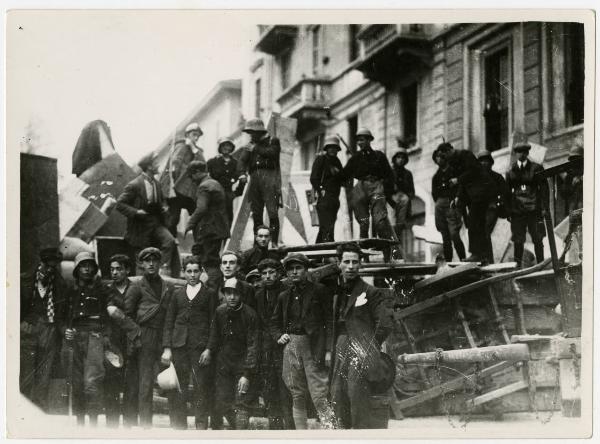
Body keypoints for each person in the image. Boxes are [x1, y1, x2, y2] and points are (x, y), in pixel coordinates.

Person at [329, 243, 395, 429]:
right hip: (340, 348)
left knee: (357, 397)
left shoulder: (370, 292)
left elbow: (385, 324)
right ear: (339, 264)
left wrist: (367, 347)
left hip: (361, 351)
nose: (351, 266)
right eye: (346, 261)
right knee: (337, 396)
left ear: (361, 265)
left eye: (355, 262)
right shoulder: (337, 292)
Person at [270, 253, 336, 429]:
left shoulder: (320, 290)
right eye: (290, 269)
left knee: (319, 393)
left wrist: (329, 350)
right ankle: (301, 435)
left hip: (314, 346)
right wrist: (279, 335)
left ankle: (332, 433)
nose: (294, 272)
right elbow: (274, 322)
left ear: (306, 269)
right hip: (291, 345)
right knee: (296, 393)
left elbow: (330, 321)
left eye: (298, 268)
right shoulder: (284, 296)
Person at [161, 256, 218, 430]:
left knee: (201, 387)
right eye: (189, 271)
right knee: (178, 387)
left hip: (199, 348)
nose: (192, 275)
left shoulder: (209, 294)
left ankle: (201, 426)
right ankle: (178, 427)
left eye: (195, 271)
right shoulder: (177, 293)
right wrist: (167, 348)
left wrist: (209, 349)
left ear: (201, 272)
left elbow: (214, 324)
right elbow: (169, 322)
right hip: (179, 346)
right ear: (184, 272)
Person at [124, 247, 174, 428]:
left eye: (155, 260)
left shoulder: (167, 286)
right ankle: (145, 426)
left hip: (163, 336)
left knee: (170, 380)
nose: (151, 264)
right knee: (144, 383)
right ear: (141, 264)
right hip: (144, 335)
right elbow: (127, 315)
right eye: (147, 261)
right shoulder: (137, 286)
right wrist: (136, 335)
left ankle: (177, 424)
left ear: (160, 263)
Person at [205, 278, 260, 430]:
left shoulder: (250, 315)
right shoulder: (220, 311)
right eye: (228, 293)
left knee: (242, 404)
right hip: (224, 365)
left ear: (241, 295)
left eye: (235, 294)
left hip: (243, 365)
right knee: (222, 401)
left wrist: (246, 374)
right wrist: (209, 349)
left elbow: (253, 345)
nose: (232, 297)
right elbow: (214, 335)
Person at [63, 252, 111, 426]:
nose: (87, 269)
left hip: (94, 336)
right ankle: (80, 424)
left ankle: (93, 424)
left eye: (90, 265)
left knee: (92, 381)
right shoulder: (70, 290)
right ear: (77, 269)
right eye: (83, 265)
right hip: (74, 338)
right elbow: (63, 317)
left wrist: (105, 335)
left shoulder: (102, 290)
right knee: (76, 382)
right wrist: (65, 331)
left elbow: (107, 316)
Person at [117, 152, 179, 277]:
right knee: (141, 258)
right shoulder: (134, 185)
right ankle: (141, 286)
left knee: (169, 241)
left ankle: (160, 271)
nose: (158, 165)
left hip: (155, 223)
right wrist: (136, 212)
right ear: (149, 166)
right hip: (140, 226)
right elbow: (120, 204)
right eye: (156, 163)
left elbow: (162, 201)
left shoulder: (157, 183)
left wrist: (164, 207)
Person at [20, 248, 67, 412]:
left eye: (52, 267)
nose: (49, 270)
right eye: (46, 266)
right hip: (28, 328)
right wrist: (22, 322)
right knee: (26, 372)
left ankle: (40, 410)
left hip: (49, 329)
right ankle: (23, 411)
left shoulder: (59, 284)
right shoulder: (25, 281)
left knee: (44, 374)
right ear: (39, 264)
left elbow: (63, 311)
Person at [438, 142, 496, 264]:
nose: (445, 159)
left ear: (450, 150)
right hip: (472, 196)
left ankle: (476, 254)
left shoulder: (466, 155)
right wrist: (457, 197)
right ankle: (483, 256)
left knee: (474, 223)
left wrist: (458, 179)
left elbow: (474, 172)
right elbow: (462, 184)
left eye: (445, 156)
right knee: (477, 225)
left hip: (481, 193)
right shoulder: (453, 162)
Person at [254, 258, 294, 429]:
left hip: (285, 346)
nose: (268, 276)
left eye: (271, 272)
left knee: (287, 391)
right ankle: (274, 432)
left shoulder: (288, 291)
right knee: (270, 391)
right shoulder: (259, 295)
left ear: (278, 274)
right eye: (264, 273)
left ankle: (291, 431)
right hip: (266, 349)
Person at [104, 254, 141, 428]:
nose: (115, 272)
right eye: (112, 269)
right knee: (111, 383)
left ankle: (129, 425)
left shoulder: (136, 289)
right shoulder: (107, 290)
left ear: (127, 270)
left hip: (132, 342)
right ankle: (111, 424)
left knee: (132, 385)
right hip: (113, 342)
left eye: (119, 268)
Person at [340, 128, 395, 240]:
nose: (360, 143)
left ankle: (385, 249)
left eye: (362, 140)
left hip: (376, 185)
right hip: (361, 186)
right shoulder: (355, 158)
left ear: (369, 140)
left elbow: (389, 174)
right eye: (358, 141)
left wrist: (385, 188)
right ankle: (364, 251)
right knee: (363, 222)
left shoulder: (379, 156)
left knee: (380, 221)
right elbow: (344, 175)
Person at [236, 118, 282, 245]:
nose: (252, 135)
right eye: (250, 132)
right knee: (256, 212)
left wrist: (255, 148)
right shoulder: (250, 144)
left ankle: (274, 242)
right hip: (254, 178)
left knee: (272, 211)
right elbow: (242, 161)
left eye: (253, 132)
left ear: (260, 131)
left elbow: (272, 154)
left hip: (269, 177)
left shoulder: (273, 141)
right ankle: (258, 243)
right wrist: (241, 174)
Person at [185, 160, 229, 290]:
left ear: (197, 172)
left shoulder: (204, 186)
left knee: (208, 262)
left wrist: (190, 223)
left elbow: (201, 209)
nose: (192, 180)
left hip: (209, 230)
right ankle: (215, 289)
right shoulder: (215, 183)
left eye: (192, 176)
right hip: (217, 229)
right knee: (212, 259)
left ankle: (211, 292)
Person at [506, 141, 548, 267]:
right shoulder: (510, 171)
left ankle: (540, 264)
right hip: (518, 211)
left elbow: (544, 189)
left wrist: (544, 208)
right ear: (516, 154)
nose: (521, 154)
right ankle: (517, 267)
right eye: (519, 152)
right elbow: (507, 193)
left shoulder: (536, 168)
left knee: (538, 238)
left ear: (527, 153)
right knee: (518, 240)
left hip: (534, 209)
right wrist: (509, 211)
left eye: (524, 152)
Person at [160, 122, 206, 236]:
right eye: (193, 134)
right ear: (187, 135)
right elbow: (175, 165)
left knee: (197, 217)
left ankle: (198, 247)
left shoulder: (197, 151)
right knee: (173, 218)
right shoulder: (180, 147)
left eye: (197, 136)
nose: (195, 138)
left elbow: (203, 166)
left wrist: (194, 151)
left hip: (190, 192)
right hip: (177, 189)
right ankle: (171, 244)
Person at [431, 148, 466, 262]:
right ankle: (449, 262)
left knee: (454, 234)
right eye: (437, 157)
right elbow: (434, 193)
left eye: (441, 156)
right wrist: (439, 203)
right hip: (440, 205)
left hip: (452, 204)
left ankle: (463, 259)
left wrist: (456, 198)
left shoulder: (454, 171)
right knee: (445, 237)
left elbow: (461, 186)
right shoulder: (436, 176)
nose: (439, 159)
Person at [477, 150, 511, 263]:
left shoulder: (497, 177)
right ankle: (483, 259)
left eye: (486, 161)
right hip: (480, 209)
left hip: (492, 208)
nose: (484, 163)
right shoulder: (476, 179)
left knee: (485, 231)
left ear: (491, 163)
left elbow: (506, 193)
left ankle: (489, 261)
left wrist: (500, 203)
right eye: (481, 161)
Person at [310, 135, 344, 243]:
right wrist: (321, 190)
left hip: (334, 198)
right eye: (330, 147)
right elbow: (314, 178)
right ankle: (329, 252)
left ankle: (317, 254)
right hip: (324, 198)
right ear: (327, 148)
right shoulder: (321, 160)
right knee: (327, 228)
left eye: (335, 148)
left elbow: (343, 179)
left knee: (327, 227)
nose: (333, 150)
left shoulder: (337, 162)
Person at [208, 137, 240, 229]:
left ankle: (226, 241)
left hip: (228, 194)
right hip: (214, 194)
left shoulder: (235, 163)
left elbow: (241, 177)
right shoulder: (212, 162)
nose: (226, 148)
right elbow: (205, 176)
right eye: (224, 145)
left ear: (232, 148)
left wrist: (236, 193)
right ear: (220, 148)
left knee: (228, 218)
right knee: (213, 218)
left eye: (228, 145)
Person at [391, 147, 415, 237]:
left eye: (402, 158)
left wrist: (406, 197)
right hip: (391, 200)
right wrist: (392, 196)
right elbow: (386, 188)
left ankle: (397, 246)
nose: (400, 160)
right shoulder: (390, 172)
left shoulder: (408, 174)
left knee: (400, 226)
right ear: (395, 159)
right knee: (391, 224)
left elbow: (412, 191)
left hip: (403, 201)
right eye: (398, 157)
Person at [563, 143, 584, 216]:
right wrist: (572, 184)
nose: (575, 162)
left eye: (577, 159)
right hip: (573, 209)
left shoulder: (587, 172)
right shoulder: (569, 176)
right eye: (573, 159)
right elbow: (564, 193)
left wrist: (582, 180)